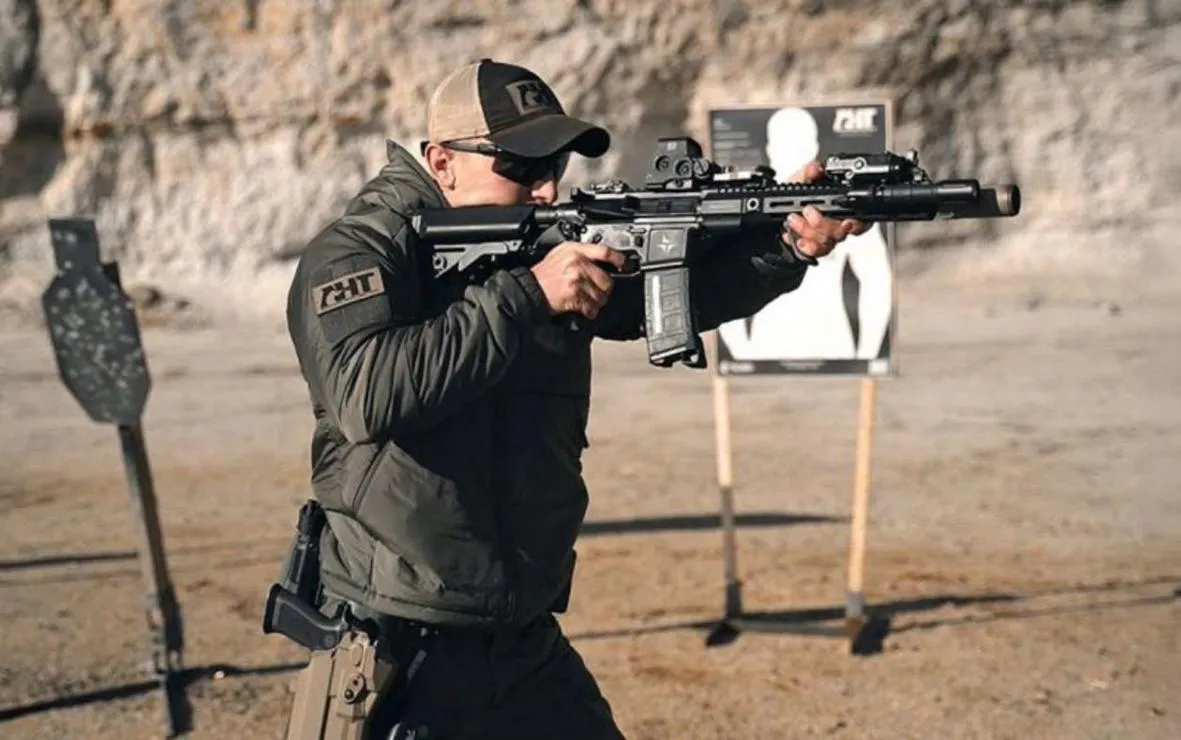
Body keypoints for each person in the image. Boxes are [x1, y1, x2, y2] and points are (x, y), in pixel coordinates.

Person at [282, 58, 866, 739]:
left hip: (522, 641)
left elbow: (664, 300)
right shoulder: (363, 251)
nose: (547, 187)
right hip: (395, 650)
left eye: (555, 165)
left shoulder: (537, 238)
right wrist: (529, 294)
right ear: (442, 161)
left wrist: (790, 242)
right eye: (522, 169)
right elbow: (365, 394)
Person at [718, 105, 894, 362]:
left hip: (832, 342)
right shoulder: (748, 207)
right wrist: (739, 349)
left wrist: (869, 352)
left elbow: (877, 280)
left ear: (814, 149)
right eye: (782, 144)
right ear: (769, 149)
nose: (790, 153)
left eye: (799, 144)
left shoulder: (842, 204)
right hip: (766, 342)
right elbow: (722, 277)